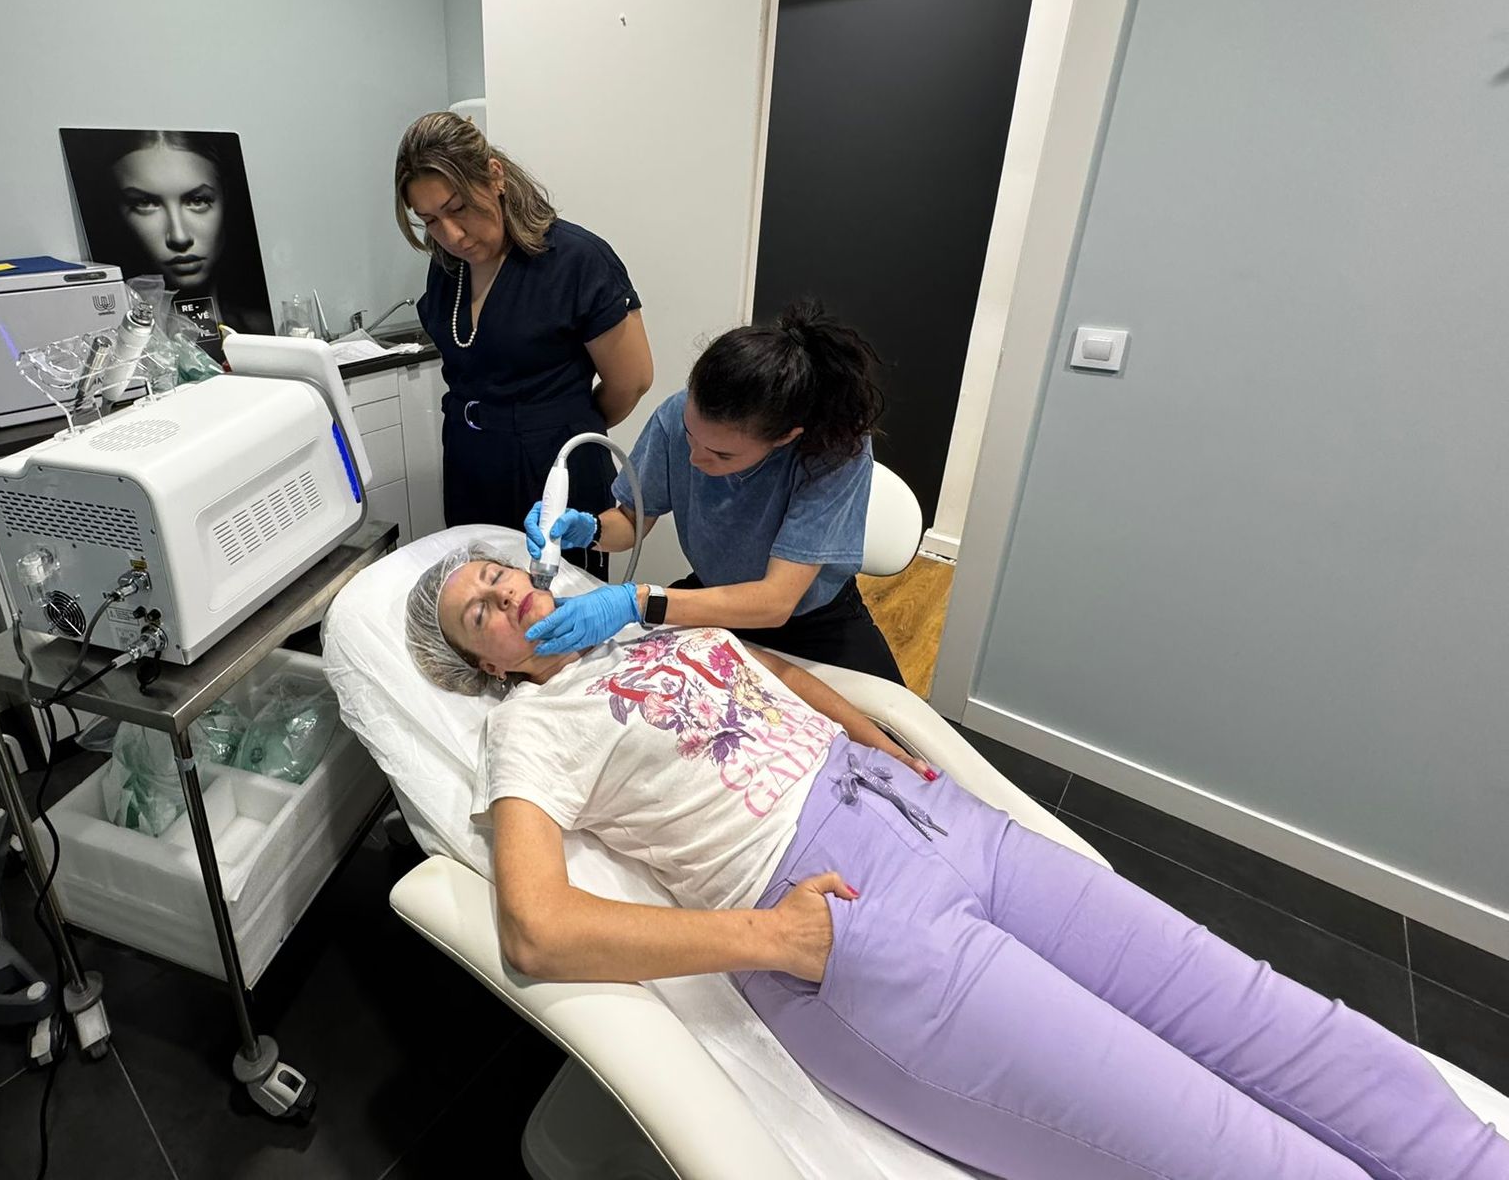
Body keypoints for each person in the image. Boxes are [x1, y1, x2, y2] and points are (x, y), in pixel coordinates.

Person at [404, 547, 1509, 1180]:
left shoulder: (646, 628)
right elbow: (539, 928)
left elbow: (774, 671)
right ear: (480, 668)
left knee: (1280, 1023)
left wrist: (881, 740)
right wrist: (779, 938)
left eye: (501, 576)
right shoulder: (530, 729)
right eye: (478, 614)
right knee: (1221, 1145)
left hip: (945, 824)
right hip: (849, 922)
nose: (505, 597)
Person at [524, 301, 905, 683]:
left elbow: (775, 602)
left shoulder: (834, 453)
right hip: (711, 600)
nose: (694, 459)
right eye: (690, 435)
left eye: (722, 454)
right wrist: (590, 530)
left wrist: (637, 602)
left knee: (884, 718)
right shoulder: (674, 416)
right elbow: (629, 522)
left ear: (785, 437)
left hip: (810, 623)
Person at [395, 112, 653, 577]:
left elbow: (631, 382)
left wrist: (558, 423)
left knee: (556, 598)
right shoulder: (447, 267)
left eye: (458, 208)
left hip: (550, 470)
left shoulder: (575, 260)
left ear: (495, 175)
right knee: (480, 594)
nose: (451, 235)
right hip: (470, 464)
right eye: (430, 220)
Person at [61, 128, 274, 335]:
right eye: (145, 203)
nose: (179, 237)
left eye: (197, 200)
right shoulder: (105, 341)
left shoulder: (263, 330)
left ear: (226, 198)